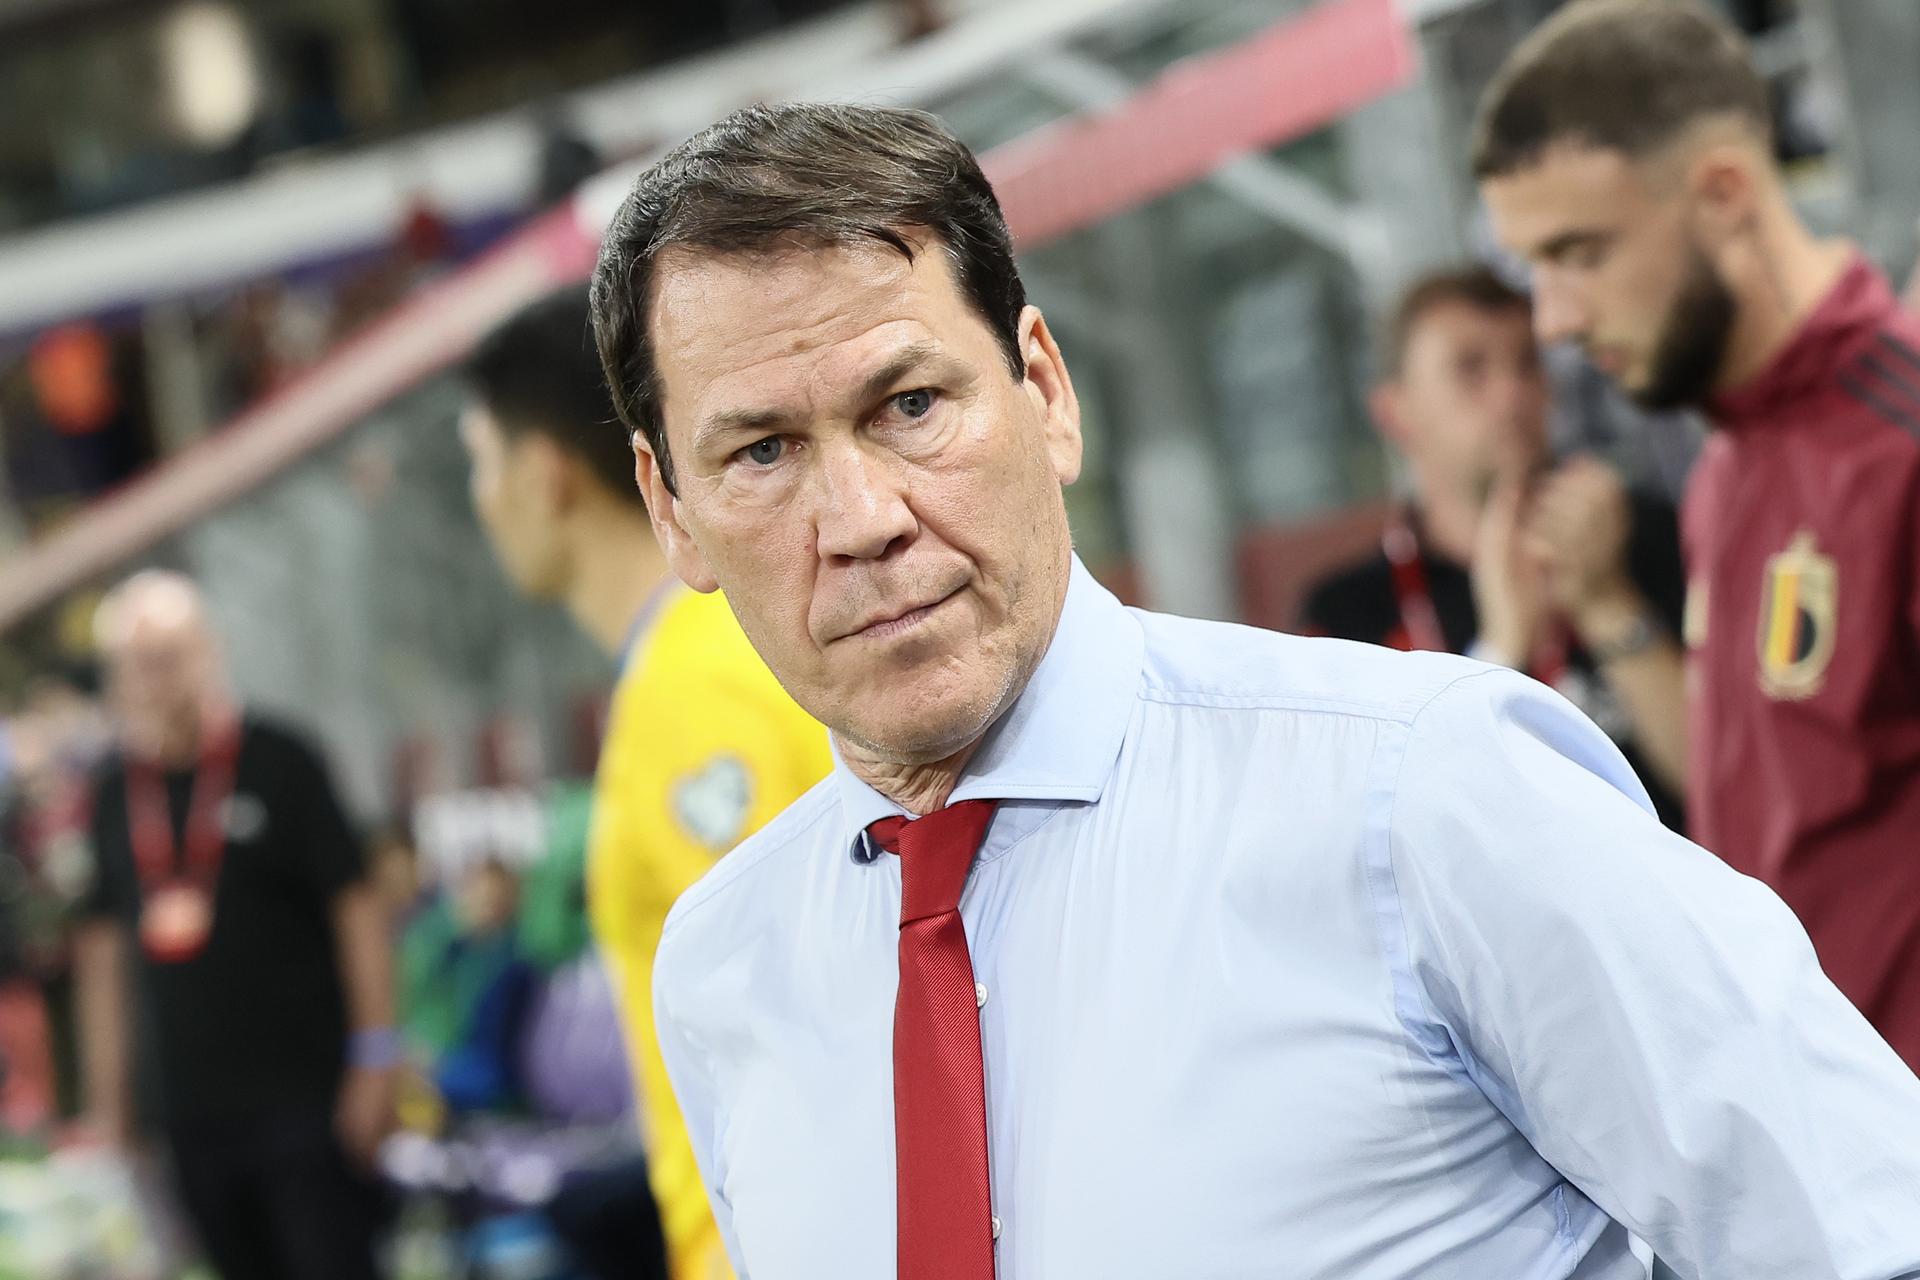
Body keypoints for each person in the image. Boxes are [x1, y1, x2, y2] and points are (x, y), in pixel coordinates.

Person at [586, 101, 1920, 1279]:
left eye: (911, 405)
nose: (863, 514)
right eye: (761, 451)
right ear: (675, 513)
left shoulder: (1421, 794)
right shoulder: (727, 972)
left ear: (1046, 392)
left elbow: (1867, 1227)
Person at [1474, 0, 1920, 1069]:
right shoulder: (1724, 463)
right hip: (1837, 1163)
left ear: (1723, 192)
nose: (1555, 321)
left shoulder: (1902, 436)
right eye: (1535, 266)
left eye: (1579, 251)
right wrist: (1606, 608)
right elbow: (1761, 811)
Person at [460, 286, 832, 1280]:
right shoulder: (701, 656)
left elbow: (791, 1029)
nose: (479, 498)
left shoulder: (691, 690)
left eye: (480, 462)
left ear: (545, 477)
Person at [72, 571, 395, 1280]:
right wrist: (109, 1099)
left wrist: (375, 1056)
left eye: (171, 656)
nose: (156, 680)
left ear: (210, 652)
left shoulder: (282, 759)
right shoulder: (110, 792)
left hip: (306, 1101)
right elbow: (101, 949)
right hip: (186, 1112)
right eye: (138, 663)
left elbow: (357, 907)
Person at [1300, 266, 1688, 823]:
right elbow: (1370, 835)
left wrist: (1607, 602)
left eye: (1528, 364)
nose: (1512, 394)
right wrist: (1500, 652)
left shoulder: (1647, 533)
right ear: (1395, 412)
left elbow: (1726, 784)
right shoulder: (1346, 617)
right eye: (1470, 369)